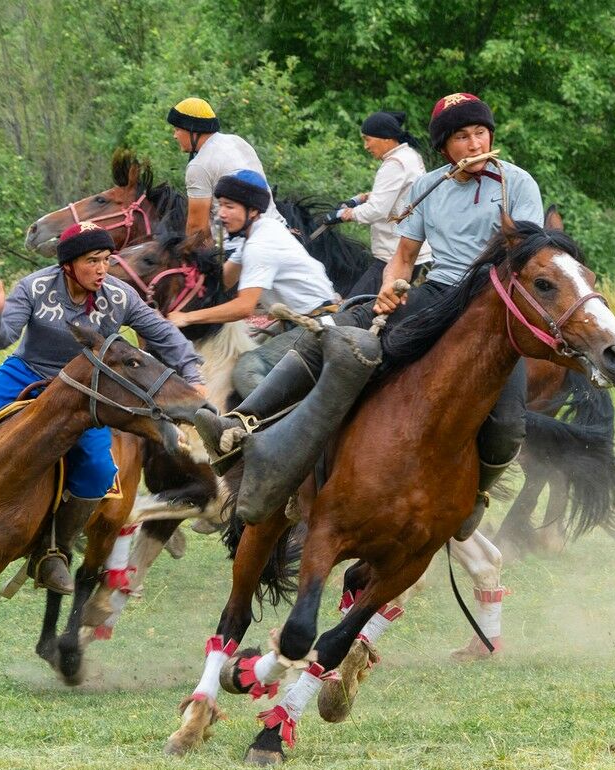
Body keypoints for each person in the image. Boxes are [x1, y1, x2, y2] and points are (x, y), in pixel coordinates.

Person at [196, 93, 543, 539]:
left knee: (509, 425)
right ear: (444, 147)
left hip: (492, 307)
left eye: (480, 133)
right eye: (462, 137)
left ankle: (476, 497)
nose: (475, 144)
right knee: (339, 328)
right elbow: (403, 257)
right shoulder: (426, 187)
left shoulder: (518, 184)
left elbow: (526, 258)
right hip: (437, 294)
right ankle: (240, 422)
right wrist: (386, 290)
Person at [0, 221, 206, 594]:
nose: (102, 269)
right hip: (28, 373)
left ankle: (55, 551)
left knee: (99, 472)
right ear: (68, 265)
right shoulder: (35, 287)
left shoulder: (121, 296)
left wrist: (192, 371)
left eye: (106, 259)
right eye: (92, 261)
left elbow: (164, 335)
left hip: (88, 392)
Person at [166, 170, 337, 396]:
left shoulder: (260, 245)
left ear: (253, 210)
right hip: (300, 321)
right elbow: (223, 282)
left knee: (246, 370)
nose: (221, 214)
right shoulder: (256, 234)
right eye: (220, 206)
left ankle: (270, 429)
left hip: (316, 327)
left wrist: (187, 317)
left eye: (230, 206)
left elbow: (243, 307)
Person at [336, 111, 433, 297]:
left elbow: (376, 210)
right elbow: (405, 195)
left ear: (386, 138)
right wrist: (369, 196)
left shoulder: (394, 163)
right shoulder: (410, 155)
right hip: (414, 251)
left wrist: (349, 214)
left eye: (367, 139)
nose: (366, 146)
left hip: (393, 255)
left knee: (354, 306)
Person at [166, 97, 286, 243]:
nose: (174, 136)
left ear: (192, 130)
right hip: (280, 231)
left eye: (177, 129)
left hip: (242, 245)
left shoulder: (199, 165)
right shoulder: (237, 141)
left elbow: (196, 230)